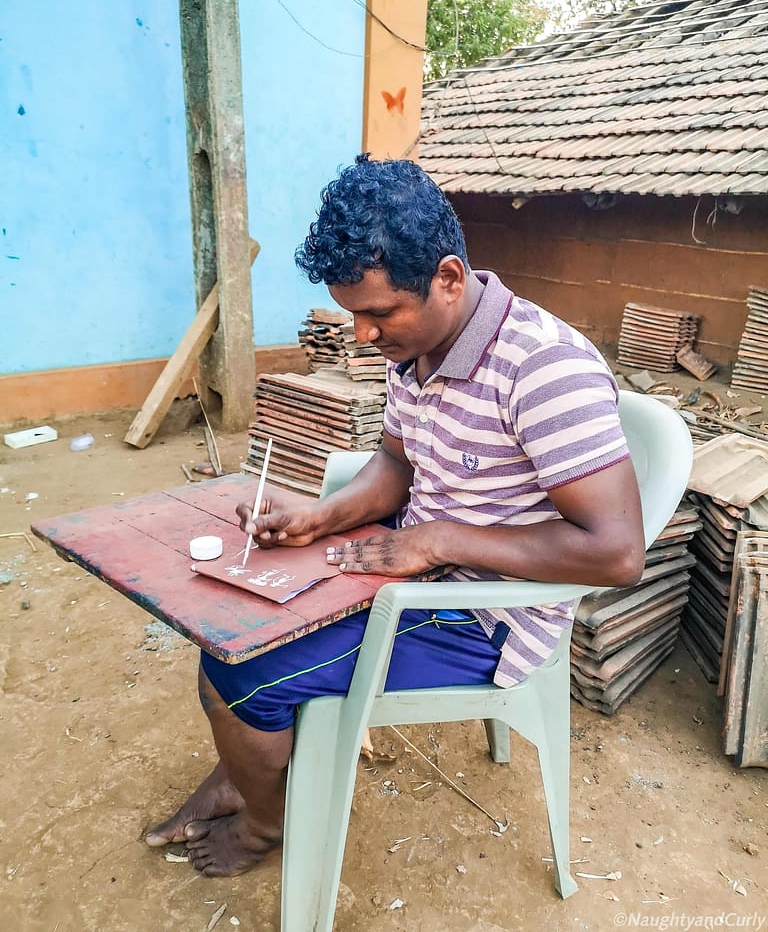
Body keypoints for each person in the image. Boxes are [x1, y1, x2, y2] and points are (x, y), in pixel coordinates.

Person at [145, 154, 645, 877]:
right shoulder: (417, 348)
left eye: (378, 314)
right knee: (225, 616)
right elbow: (397, 465)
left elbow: (616, 555)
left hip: (486, 619)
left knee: (235, 672)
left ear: (447, 277)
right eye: (354, 315)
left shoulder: (546, 371)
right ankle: (247, 763)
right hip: (414, 570)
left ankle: (264, 821)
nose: (363, 337)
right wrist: (325, 516)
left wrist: (438, 540)